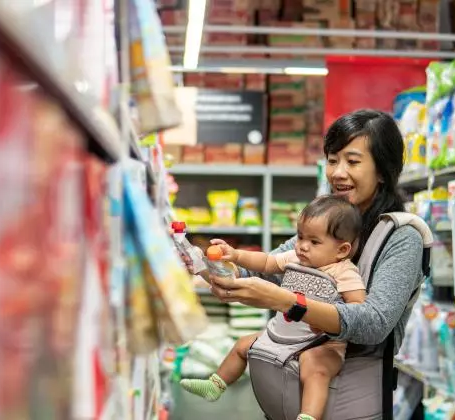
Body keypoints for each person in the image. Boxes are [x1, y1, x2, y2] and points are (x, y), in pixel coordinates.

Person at [182, 109, 425, 419]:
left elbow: (373, 323)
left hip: (348, 401)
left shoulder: (400, 237)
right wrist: (210, 265)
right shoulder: (323, 223)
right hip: (284, 391)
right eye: (332, 159)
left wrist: (287, 302)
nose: (337, 172)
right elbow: (263, 270)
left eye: (352, 161)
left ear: (383, 170)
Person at [180, 195, 364, 420]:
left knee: (316, 368)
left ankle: (308, 416)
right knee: (242, 345)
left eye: (314, 242)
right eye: (301, 237)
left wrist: (327, 320)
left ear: (342, 250)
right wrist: (236, 255)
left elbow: (357, 310)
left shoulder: (343, 271)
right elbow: (266, 262)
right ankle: (215, 385)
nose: (303, 246)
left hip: (322, 343)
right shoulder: (295, 258)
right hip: (282, 334)